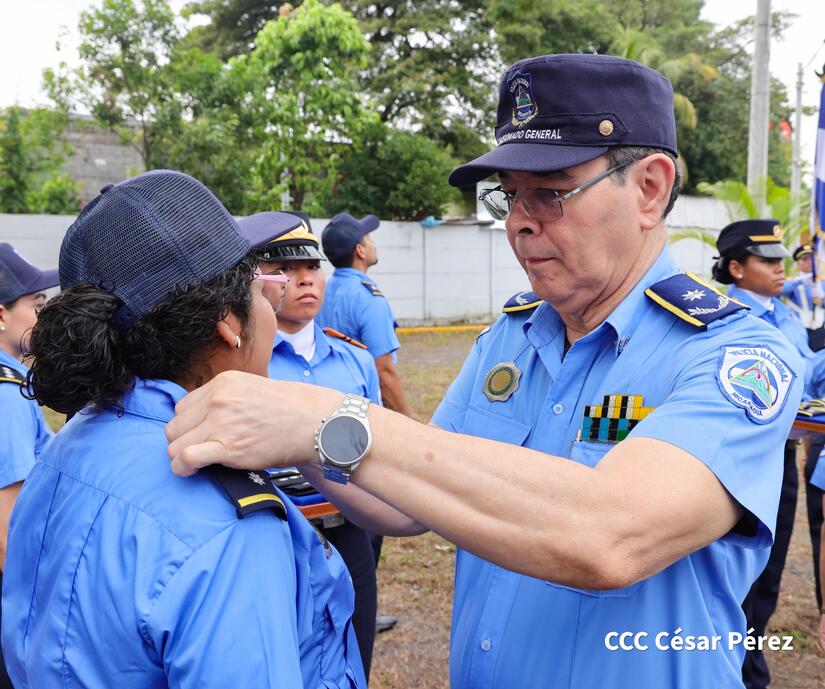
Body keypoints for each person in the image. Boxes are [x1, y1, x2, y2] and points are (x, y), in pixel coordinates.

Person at [165, 54, 804, 688]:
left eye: (551, 194)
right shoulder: (512, 334)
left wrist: (327, 419)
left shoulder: (734, 355)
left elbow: (611, 534)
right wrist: (301, 441)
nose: (520, 224)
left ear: (650, 188)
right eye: (511, 196)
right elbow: (406, 503)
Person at [1, 170, 366, 688]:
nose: (270, 307)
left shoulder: (69, 447)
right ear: (229, 321)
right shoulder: (228, 523)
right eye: (262, 291)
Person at [237, 210, 381, 678]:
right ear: (256, 281)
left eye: (311, 267)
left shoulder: (355, 360)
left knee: (356, 652)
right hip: (275, 535)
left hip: (349, 533)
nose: (303, 280)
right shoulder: (240, 364)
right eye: (284, 270)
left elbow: (375, 453)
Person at [711, 219, 821, 689]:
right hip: (737, 463)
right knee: (737, 574)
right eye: (768, 261)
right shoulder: (722, 318)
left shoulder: (785, 315)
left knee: (770, 572)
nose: (781, 269)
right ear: (736, 268)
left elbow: (808, 376)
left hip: (783, 459)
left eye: (782, 260)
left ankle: (750, 662)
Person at [318, 211, 410, 631]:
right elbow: (384, 369)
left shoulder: (324, 290)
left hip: (323, 422)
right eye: (369, 237)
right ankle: (361, 612)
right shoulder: (367, 296)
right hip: (360, 425)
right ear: (360, 250)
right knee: (366, 526)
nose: (373, 243)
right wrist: (409, 424)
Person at [0, 243, 59, 689]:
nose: (43, 318)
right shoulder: (5, 391)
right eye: (35, 306)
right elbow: (8, 523)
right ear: (2, 316)